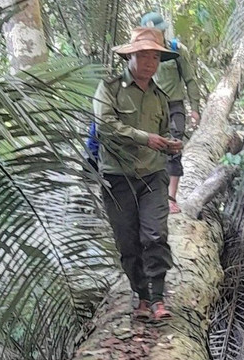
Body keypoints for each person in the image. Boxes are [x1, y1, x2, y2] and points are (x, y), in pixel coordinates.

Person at [93, 27, 182, 321]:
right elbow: (104, 126)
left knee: (155, 234)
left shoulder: (160, 96)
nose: (150, 63)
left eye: (155, 57)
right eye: (144, 56)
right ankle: (141, 297)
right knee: (128, 241)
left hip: (152, 175)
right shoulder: (110, 88)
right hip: (117, 177)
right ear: (130, 57)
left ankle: (158, 299)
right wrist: (145, 138)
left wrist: (171, 144)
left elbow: (164, 131)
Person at [141, 12, 202, 214]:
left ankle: (171, 198)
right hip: (149, 107)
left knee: (173, 149)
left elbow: (190, 80)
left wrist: (194, 108)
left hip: (174, 106)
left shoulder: (177, 51)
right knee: (149, 150)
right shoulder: (139, 53)